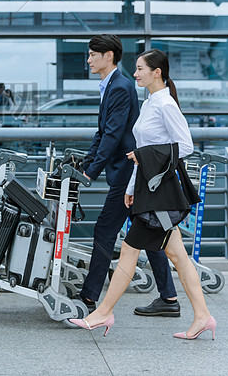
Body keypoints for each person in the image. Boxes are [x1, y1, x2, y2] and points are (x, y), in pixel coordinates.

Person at [72, 49, 216, 340]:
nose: (135, 74)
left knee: (129, 250)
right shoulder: (151, 101)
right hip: (148, 191)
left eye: (140, 69)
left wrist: (144, 156)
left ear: (156, 72)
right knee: (179, 257)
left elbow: (184, 146)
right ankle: (203, 317)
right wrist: (129, 189)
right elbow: (142, 152)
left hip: (159, 195)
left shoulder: (165, 104)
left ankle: (103, 312)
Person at [74, 35, 180, 323]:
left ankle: (89, 297)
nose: (89, 60)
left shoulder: (120, 86)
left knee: (105, 230)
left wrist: (91, 172)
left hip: (128, 173)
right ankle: (169, 298)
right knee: (149, 234)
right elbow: (102, 132)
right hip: (129, 174)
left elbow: (113, 135)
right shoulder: (111, 85)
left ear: (108, 55)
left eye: (92, 55)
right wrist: (86, 165)